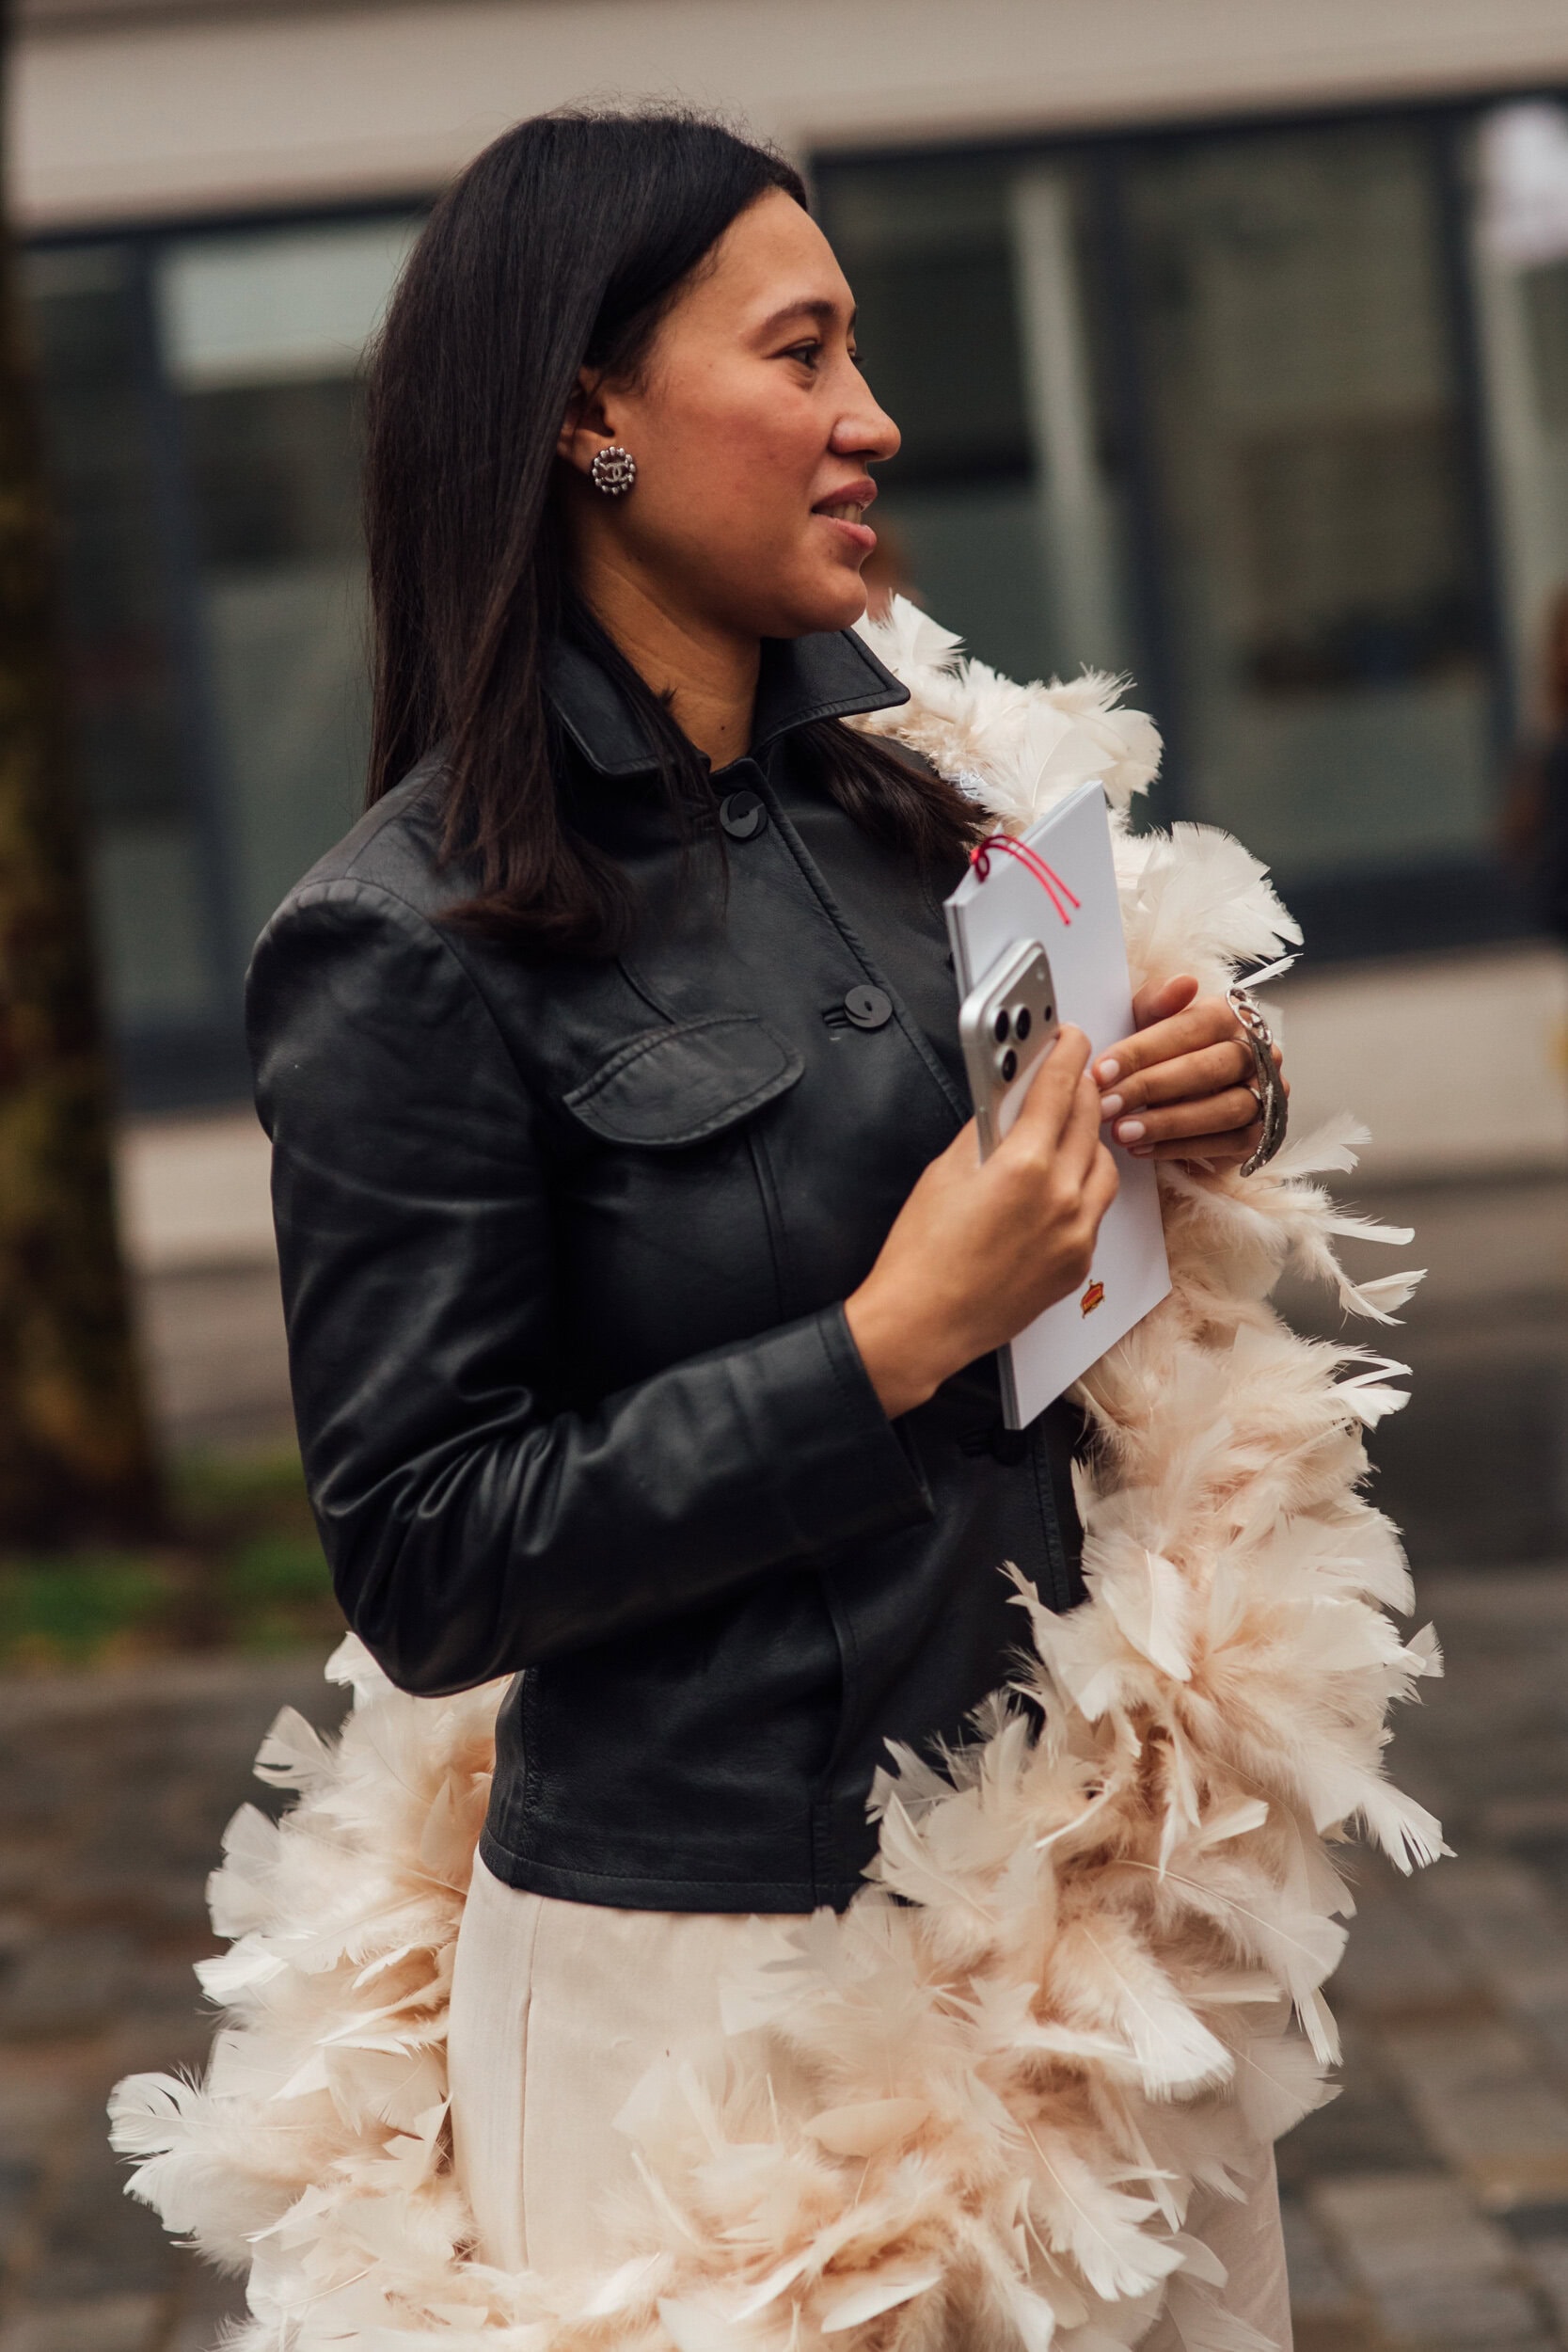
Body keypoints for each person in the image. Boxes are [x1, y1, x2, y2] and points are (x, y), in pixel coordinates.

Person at [245, 112, 1291, 2342]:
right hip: (717, 2018)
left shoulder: (925, 808)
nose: (874, 417)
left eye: (858, 351)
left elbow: (1075, 1205)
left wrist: (1211, 1091)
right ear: (586, 416)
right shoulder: (402, 946)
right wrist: (883, 1338)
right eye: (801, 351)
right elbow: (427, 1555)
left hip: (1081, 1931)